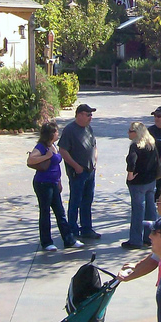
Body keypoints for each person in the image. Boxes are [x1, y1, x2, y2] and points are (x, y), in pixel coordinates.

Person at [28, 121, 79, 253]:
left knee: (60, 212)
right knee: (45, 212)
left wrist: (59, 182)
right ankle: (46, 242)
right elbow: (31, 160)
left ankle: (69, 240)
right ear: (50, 134)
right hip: (43, 183)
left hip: (54, 182)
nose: (58, 133)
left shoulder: (54, 146)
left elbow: (56, 165)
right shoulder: (41, 147)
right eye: (56, 131)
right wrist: (46, 156)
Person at [59, 103, 101, 242]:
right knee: (75, 201)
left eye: (91, 115)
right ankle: (72, 229)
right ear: (79, 115)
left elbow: (94, 146)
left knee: (87, 201)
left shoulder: (88, 128)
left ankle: (87, 229)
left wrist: (95, 160)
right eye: (88, 115)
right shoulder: (70, 130)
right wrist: (75, 166)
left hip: (90, 171)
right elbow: (63, 150)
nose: (90, 117)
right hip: (77, 172)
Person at [123, 121, 161, 249]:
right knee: (151, 210)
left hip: (138, 183)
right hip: (151, 181)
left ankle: (135, 240)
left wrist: (130, 175)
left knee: (138, 211)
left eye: (130, 131)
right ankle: (150, 237)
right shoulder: (151, 144)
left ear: (136, 133)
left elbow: (131, 161)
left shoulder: (135, 146)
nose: (128, 133)